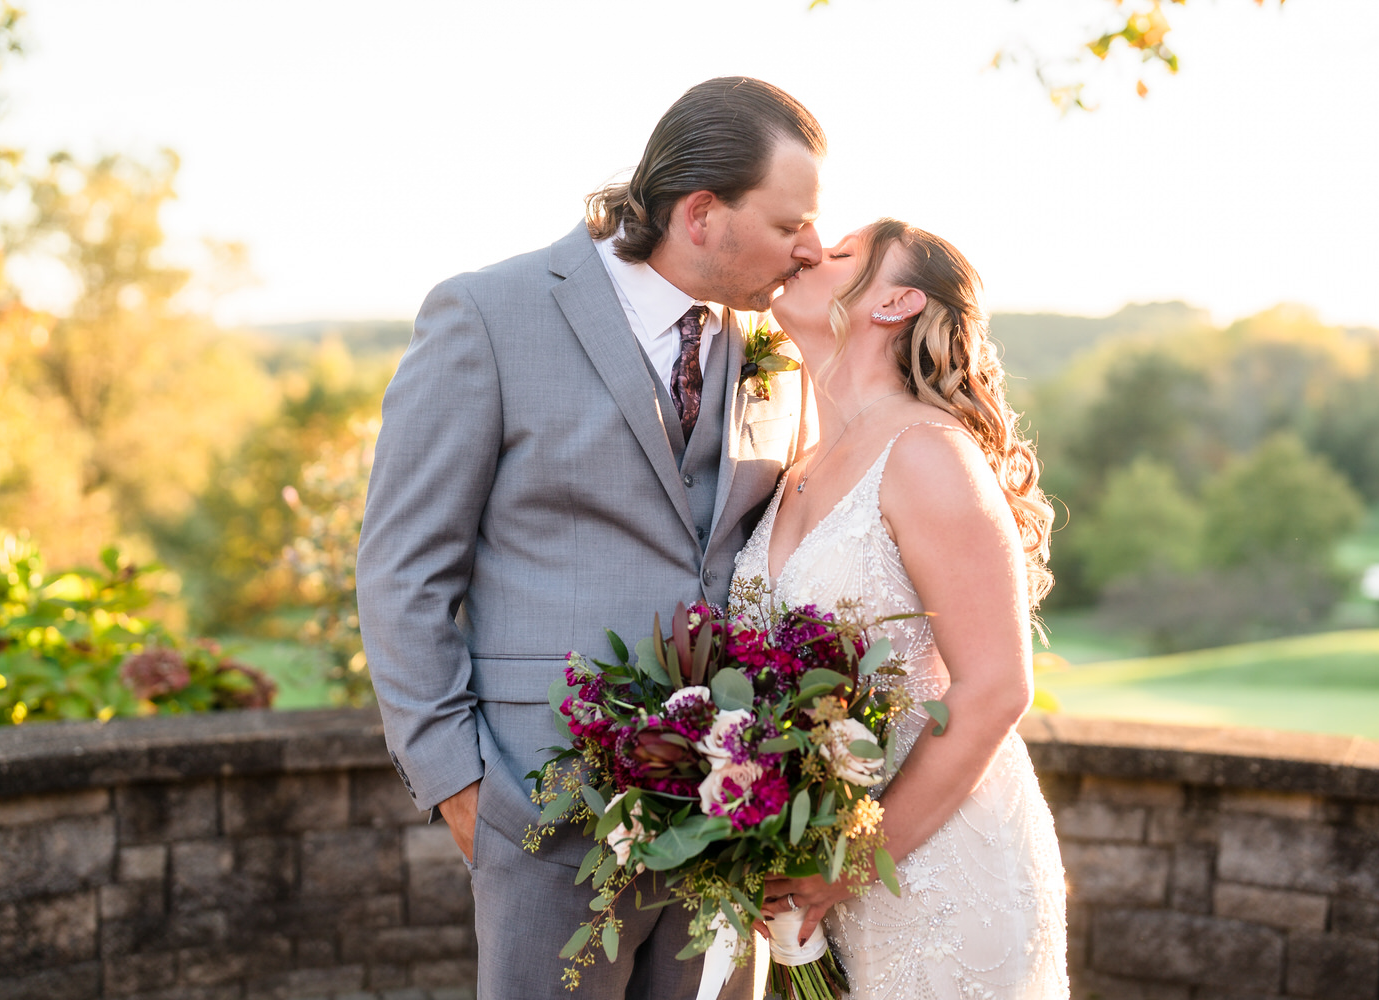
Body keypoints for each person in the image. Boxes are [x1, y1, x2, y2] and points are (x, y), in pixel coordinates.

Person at [355, 78, 825, 1000]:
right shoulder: (488, 315)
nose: (811, 248)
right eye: (789, 224)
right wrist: (461, 786)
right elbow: (403, 572)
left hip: (732, 820)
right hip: (544, 805)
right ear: (701, 214)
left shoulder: (782, 354)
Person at [735, 219, 1069, 998]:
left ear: (897, 303)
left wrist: (844, 870)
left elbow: (995, 689)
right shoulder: (799, 467)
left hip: (941, 867)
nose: (811, 250)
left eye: (844, 253)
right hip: (822, 875)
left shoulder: (926, 452)